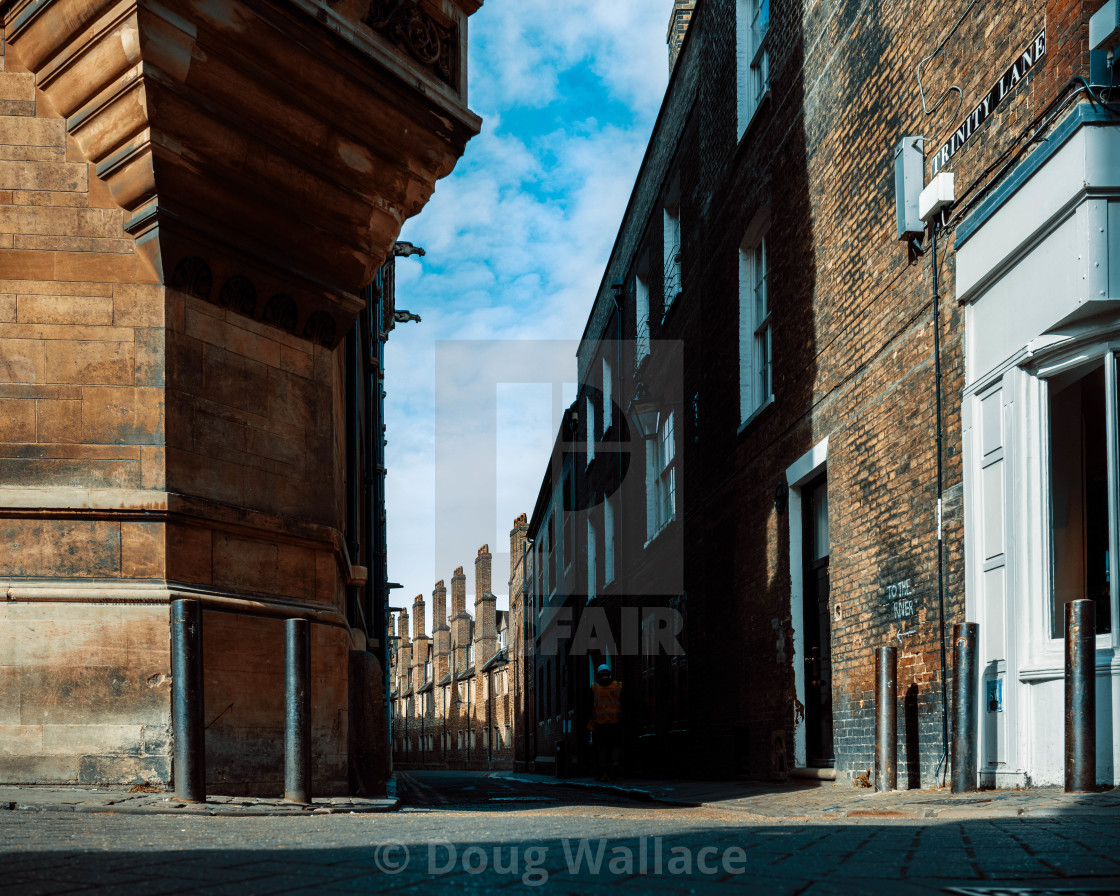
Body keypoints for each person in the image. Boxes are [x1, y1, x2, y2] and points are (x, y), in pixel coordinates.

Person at [588, 664, 621, 782]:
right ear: (609, 674)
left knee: (601, 749)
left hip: (600, 723)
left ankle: (604, 774)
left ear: (598, 675)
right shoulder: (618, 686)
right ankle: (615, 761)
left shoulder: (594, 688)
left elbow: (589, 707)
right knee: (615, 744)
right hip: (615, 722)